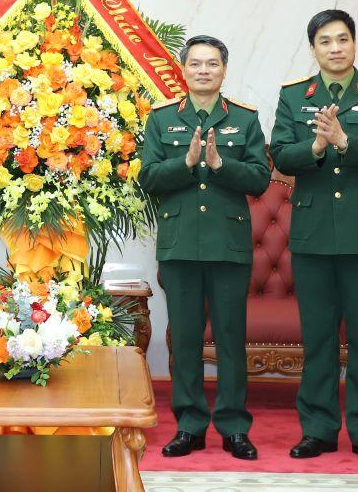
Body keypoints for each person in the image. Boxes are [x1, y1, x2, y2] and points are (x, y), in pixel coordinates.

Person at [269, 9, 358, 465]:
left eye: (343, 39)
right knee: (319, 338)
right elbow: (282, 155)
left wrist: (347, 142)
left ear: (354, 43)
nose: (335, 47)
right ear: (313, 48)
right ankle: (318, 429)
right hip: (313, 234)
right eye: (325, 41)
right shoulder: (294, 95)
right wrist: (315, 147)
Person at [139, 34, 270, 461]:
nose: (203, 70)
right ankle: (190, 426)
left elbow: (259, 179)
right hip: (179, 245)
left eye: (212, 63)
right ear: (183, 70)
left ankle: (234, 427)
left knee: (231, 339)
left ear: (224, 70)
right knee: (186, 341)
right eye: (195, 63)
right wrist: (186, 163)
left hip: (229, 245)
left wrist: (219, 165)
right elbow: (148, 178)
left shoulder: (245, 119)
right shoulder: (161, 118)